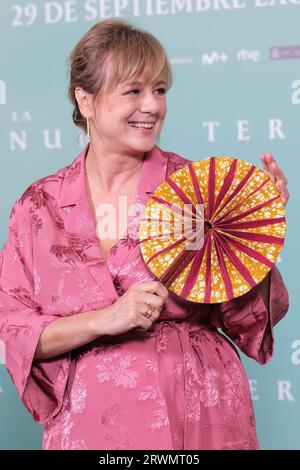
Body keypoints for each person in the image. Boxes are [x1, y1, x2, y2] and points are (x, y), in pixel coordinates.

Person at [0, 19, 289, 450]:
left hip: (197, 410)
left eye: (159, 90)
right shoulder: (38, 207)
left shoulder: (196, 190)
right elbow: (14, 331)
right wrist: (106, 319)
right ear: (87, 100)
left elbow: (244, 319)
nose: (151, 105)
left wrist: (252, 236)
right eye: (133, 91)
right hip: (89, 420)